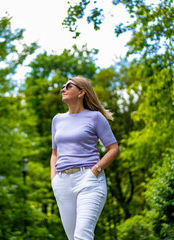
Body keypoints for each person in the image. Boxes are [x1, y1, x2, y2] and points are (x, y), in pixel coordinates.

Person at [50, 76, 120, 240]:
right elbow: (54, 153)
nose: (63, 89)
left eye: (68, 86)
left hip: (88, 181)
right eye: (63, 87)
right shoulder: (57, 120)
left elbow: (113, 149)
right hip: (62, 183)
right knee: (73, 238)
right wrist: (54, 179)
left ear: (81, 92)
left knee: (82, 236)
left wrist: (94, 171)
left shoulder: (95, 117)